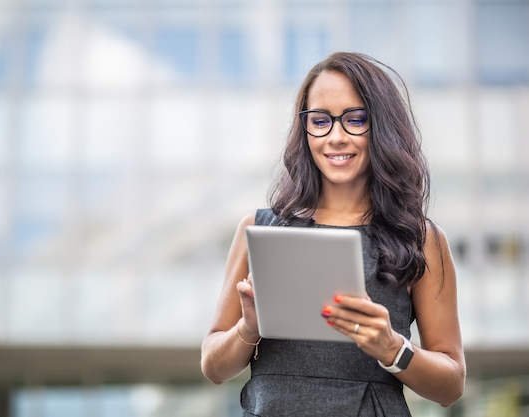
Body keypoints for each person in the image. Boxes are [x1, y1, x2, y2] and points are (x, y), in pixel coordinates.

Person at [200, 52, 466, 416]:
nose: (336, 137)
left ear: (381, 126)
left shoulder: (421, 240)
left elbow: (451, 385)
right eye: (320, 121)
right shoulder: (258, 228)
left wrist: (392, 348)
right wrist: (250, 328)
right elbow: (214, 367)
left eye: (355, 120)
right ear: (304, 128)